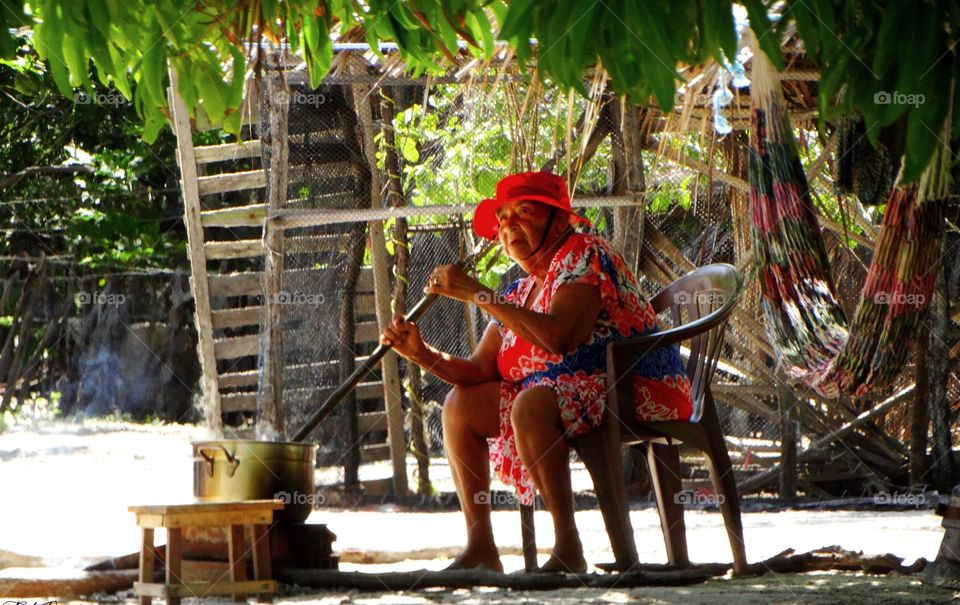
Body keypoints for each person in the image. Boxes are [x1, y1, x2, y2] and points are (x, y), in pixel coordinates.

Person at [380, 171, 692, 573]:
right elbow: (477, 370)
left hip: (636, 388)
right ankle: (481, 548)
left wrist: (478, 293)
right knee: (460, 405)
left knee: (530, 404)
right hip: (567, 398)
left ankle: (568, 547)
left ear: (559, 220)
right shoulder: (519, 291)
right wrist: (420, 353)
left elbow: (561, 337)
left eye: (523, 212)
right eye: (503, 218)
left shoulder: (585, 255)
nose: (509, 226)